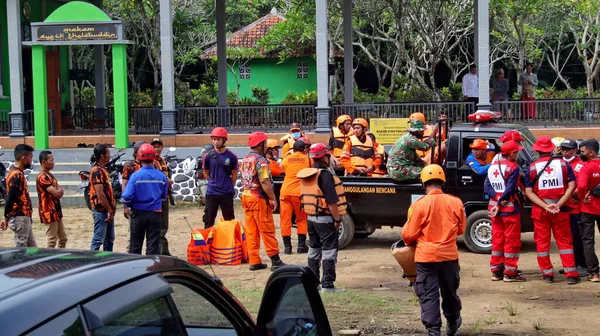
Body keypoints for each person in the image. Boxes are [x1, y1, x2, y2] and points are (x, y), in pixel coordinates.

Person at [401, 164, 465, 336]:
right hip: (449, 257)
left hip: (425, 258)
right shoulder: (456, 202)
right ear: (442, 182)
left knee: (428, 294)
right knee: (450, 291)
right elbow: (461, 230)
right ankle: (453, 321)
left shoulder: (418, 205)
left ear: (424, 184)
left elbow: (408, 235)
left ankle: (434, 331)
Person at [524, 136, 579, 285]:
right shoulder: (564, 165)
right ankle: (571, 274)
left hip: (541, 211)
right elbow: (572, 186)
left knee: (542, 243)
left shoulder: (532, 167)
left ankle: (547, 274)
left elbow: (529, 192)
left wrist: (545, 206)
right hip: (561, 211)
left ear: (537, 150)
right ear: (551, 149)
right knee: (565, 242)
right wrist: (559, 204)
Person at [299, 143, 347, 293]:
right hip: (325, 219)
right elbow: (332, 201)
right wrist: (337, 219)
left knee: (314, 251)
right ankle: (327, 285)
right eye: (329, 156)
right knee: (329, 252)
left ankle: (312, 284)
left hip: (311, 219)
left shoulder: (308, 173)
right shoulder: (325, 175)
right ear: (325, 157)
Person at [240, 132, 286, 271]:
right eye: (265, 143)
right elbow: (265, 181)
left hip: (246, 196)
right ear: (261, 145)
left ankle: (254, 261)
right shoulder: (261, 161)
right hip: (258, 198)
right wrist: (273, 198)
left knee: (251, 231)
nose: (267, 145)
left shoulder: (246, 159)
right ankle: (276, 261)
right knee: (267, 229)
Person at [485, 140, 527, 282]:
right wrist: (502, 200)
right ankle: (510, 272)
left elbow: (487, 187)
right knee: (512, 241)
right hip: (509, 210)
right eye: (517, 152)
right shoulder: (513, 167)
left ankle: (496, 271)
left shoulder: (491, 167)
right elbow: (510, 189)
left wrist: (497, 198)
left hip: (494, 210)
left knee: (497, 240)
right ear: (513, 153)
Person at [121, 143, 168, 255]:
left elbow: (126, 196)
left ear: (140, 157)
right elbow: (164, 195)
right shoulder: (161, 176)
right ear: (153, 158)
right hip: (155, 213)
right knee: (153, 245)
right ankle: (151, 269)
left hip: (138, 213)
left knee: (135, 246)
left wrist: (129, 205)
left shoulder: (136, 176)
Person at [559, 139, 589, 277]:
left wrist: (576, 193)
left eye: (568, 149)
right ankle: (569, 264)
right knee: (566, 238)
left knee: (577, 238)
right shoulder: (559, 163)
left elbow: (583, 185)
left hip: (576, 208)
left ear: (575, 150)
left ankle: (581, 264)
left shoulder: (580, 165)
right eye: (563, 149)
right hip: (563, 206)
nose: (564, 151)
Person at [0, 144, 36, 247]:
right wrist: (6, 217)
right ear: (23, 159)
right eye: (30, 157)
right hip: (20, 218)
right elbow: (11, 198)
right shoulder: (17, 176)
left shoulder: (14, 173)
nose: (31, 160)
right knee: (21, 249)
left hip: (23, 217)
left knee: (32, 248)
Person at [280, 139, 312, 254]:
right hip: (299, 193)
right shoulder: (307, 159)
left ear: (293, 149)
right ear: (304, 149)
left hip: (285, 192)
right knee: (301, 219)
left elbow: (281, 169)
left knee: (285, 219)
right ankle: (301, 246)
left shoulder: (287, 158)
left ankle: (287, 248)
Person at [203, 127, 238, 228]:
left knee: (229, 220)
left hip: (226, 192)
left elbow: (234, 176)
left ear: (224, 140)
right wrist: (214, 183)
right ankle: (207, 242)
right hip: (212, 192)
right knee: (208, 219)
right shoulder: (208, 156)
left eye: (218, 139)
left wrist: (226, 184)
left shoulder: (231, 156)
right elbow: (206, 173)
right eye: (214, 139)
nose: (216, 142)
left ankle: (230, 242)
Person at [576, 139, 600, 282]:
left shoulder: (587, 167)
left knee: (588, 240)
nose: (581, 153)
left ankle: (594, 273)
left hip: (588, 208)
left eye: (583, 151)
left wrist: (582, 198)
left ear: (590, 153)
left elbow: (581, 186)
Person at [36, 150, 66, 248]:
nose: (53, 162)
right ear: (44, 161)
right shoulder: (42, 177)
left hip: (56, 211)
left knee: (63, 239)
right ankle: (49, 260)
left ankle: (59, 259)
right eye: (51, 160)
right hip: (48, 212)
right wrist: (59, 191)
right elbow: (56, 192)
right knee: (52, 239)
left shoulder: (50, 175)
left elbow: (59, 190)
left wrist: (59, 191)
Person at [89, 144, 116, 251]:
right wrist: (109, 210)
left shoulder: (103, 169)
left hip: (107, 210)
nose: (110, 156)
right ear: (102, 156)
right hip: (101, 210)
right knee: (98, 239)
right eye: (108, 153)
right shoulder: (97, 171)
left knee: (109, 239)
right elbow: (100, 193)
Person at [151, 138, 173, 255]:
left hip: (165, 197)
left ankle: (164, 251)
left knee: (164, 225)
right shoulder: (151, 162)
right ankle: (160, 252)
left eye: (159, 146)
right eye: (154, 147)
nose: (157, 149)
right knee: (157, 227)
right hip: (156, 198)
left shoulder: (162, 161)